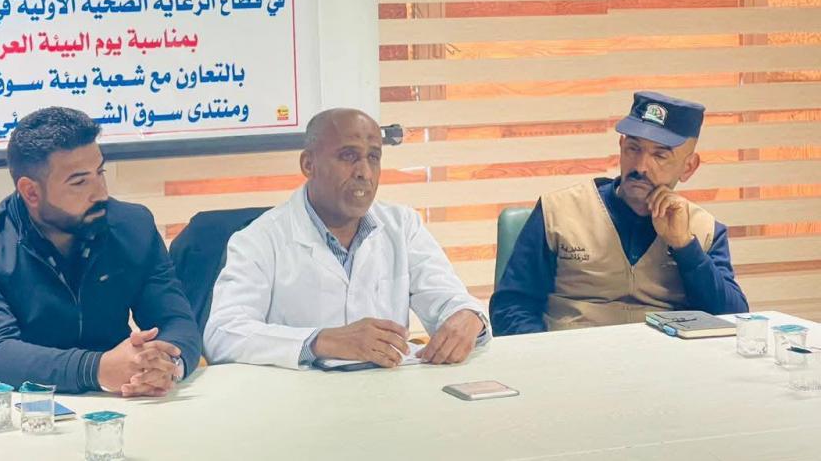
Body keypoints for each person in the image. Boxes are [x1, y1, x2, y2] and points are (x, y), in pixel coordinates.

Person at [204, 108, 489, 369]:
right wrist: (319, 341)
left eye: (373, 157)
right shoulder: (259, 238)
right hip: (297, 399)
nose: (364, 173)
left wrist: (468, 316)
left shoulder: (403, 226)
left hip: (388, 393)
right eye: (348, 156)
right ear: (308, 164)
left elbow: (449, 300)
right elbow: (223, 334)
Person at [0, 107, 201, 396]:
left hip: (117, 402)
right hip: (22, 410)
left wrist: (165, 365)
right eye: (80, 182)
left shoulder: (134, 225)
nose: (100, 193)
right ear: (31, 192)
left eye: (100, 172)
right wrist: (96, 369)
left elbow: (176, 321)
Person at [490, 91, 749, 335]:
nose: (641, 166)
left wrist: (685, 247)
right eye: (633, 149)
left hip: (664, 359)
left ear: (689, 167)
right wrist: (549, 358)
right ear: (621, 146)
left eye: (660, 155)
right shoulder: (557, 211)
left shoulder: (704, 230)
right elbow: (510, 307)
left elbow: (732, 317)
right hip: (574, 354)